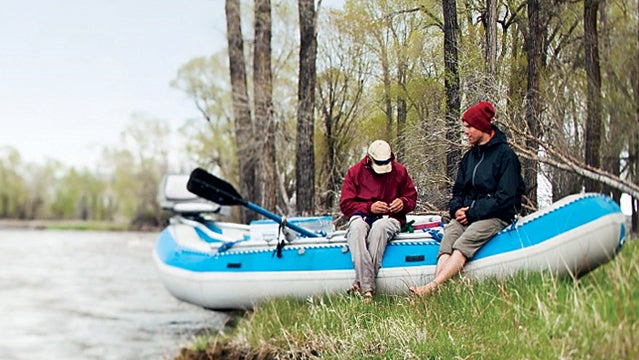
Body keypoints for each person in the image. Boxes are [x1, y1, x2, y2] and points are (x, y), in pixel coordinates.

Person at [410, 101, 525, 297]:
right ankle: (436, 293)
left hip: (495, 217)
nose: (466, 132)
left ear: (481, 126)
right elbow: (458, 192)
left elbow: (505, 198)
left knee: (465, 241)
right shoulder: (469, 158)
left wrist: (472, 212)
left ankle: (431, 288)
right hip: (466, 216)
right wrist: (456, 210)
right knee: (449, 239)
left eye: (469, 127)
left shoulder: (506, 156)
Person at [340, 139, 417, 301]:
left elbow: (411, 198)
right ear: (369, 158)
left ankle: (362, 286)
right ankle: (367, 288)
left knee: (380, 229)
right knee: (357, 229)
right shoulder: (354, 172)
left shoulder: (400, 172)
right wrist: (369, 207)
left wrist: (402, 203)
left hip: (390, 218)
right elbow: (346, 205)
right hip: (363, 216)